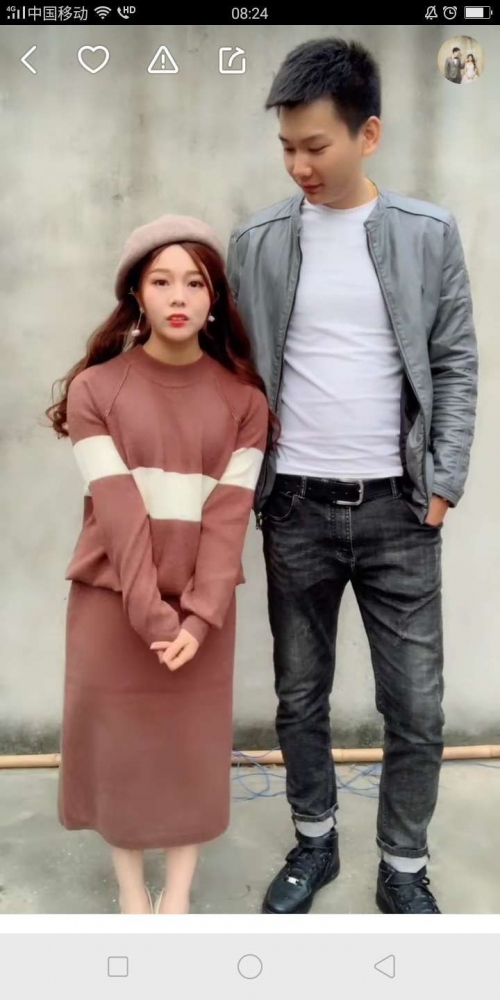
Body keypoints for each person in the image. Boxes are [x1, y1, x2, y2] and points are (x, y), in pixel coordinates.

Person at [227, 38, 478, 915]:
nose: (299, 165)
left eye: (316, 146)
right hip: (294, 506)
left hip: (399, 509)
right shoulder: (257, 240)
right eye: (287, 148)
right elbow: (235, 373)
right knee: (300, 697)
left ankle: (403, 866)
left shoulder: (427, 233)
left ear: (367, 134)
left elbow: (455, 363)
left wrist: (442, 483)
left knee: (417, 708)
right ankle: (314, 840)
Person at [46, 215, 272, 914]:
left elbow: (229, 523)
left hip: (203, 616)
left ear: (215, 298)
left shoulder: (245, 402)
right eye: (161, 281)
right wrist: (152, 616)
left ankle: (176, 896)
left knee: (188, 752)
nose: (179, 297)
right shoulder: (96, 391)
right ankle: (130, 892)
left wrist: (198, 620)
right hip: (113, 607)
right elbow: (119, 516)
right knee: (120, 750)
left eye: (195, 282)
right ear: (135, 296)